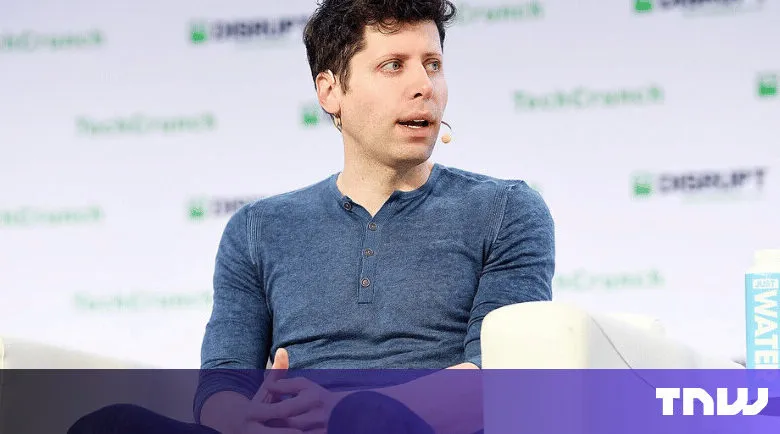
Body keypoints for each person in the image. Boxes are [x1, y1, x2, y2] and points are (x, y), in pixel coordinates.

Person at [68, 0, 554, 433]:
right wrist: (248, 418)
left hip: (402, 425)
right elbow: (222, 384)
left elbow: (499, 378)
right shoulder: (258, 228)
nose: (423, 86)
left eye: (432, 65)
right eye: (393, 66)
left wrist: (340, 408)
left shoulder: (506, 210)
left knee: (364, 418)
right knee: (108, 424)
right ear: (330, 91)